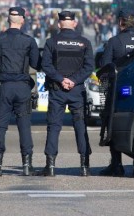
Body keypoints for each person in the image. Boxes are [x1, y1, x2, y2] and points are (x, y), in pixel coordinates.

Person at [38, 10, 94, 177]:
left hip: (57, 90)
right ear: (74, 23)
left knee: (54, 127)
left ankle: (51, 166)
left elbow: (46, 66)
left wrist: (61, 79)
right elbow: (89, 67)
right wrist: (74, 81)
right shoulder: (84, 43)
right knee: (80, 127)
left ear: (59, 23)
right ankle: (84, 166)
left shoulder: (51, 42)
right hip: (77, 91)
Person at [0, 7, 40, 177]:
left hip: (4, 86)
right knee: (24, 126)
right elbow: (37, 64)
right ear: (22, 20)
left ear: (8, 20)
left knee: (0, 125)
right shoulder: (29, 41)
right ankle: (27, 165)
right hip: (22, 86)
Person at [99, 8, 134, 177]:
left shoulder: (114, 41)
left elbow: (105, 67)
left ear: (120, 22)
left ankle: (116, 164)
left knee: (112, 124)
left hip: (119, 91)